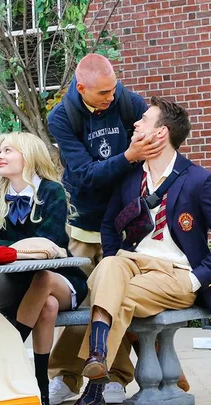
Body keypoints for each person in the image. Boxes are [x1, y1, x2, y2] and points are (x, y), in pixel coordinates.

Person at [74, 97, 210, 404]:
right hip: (130, 263)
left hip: (175, 274)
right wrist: (112, 257)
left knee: (109, 292)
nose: (136, 123)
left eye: (145, 120)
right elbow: (109, 225)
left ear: (161, 133)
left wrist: (197, 279)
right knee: (108, 268)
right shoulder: (131, 177)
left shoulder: (199, 180)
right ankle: (97, 360)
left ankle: (95, 383)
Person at [46, 53, 163, 404]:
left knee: (114, 300)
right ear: (81, 88)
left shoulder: (128, 102)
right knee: (80, 302)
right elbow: (84, 176)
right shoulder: (62, 117)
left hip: (127, 224)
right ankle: (65, 376)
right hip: (82, 223)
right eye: (102, 94)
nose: (111, 98)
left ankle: (114, 376)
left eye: (113, 89)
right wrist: (129, 156)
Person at [0, 132, 88, 405]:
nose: (0, 155)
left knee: (44, 277)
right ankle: (41, 388)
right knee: (46, 307)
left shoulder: (52, 191)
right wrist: (24, 248)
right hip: (21, 284)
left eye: (8, 150)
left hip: (62, 278)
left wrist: (7, 248)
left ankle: (8, 351)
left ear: (28, 156)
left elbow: (52, 241)